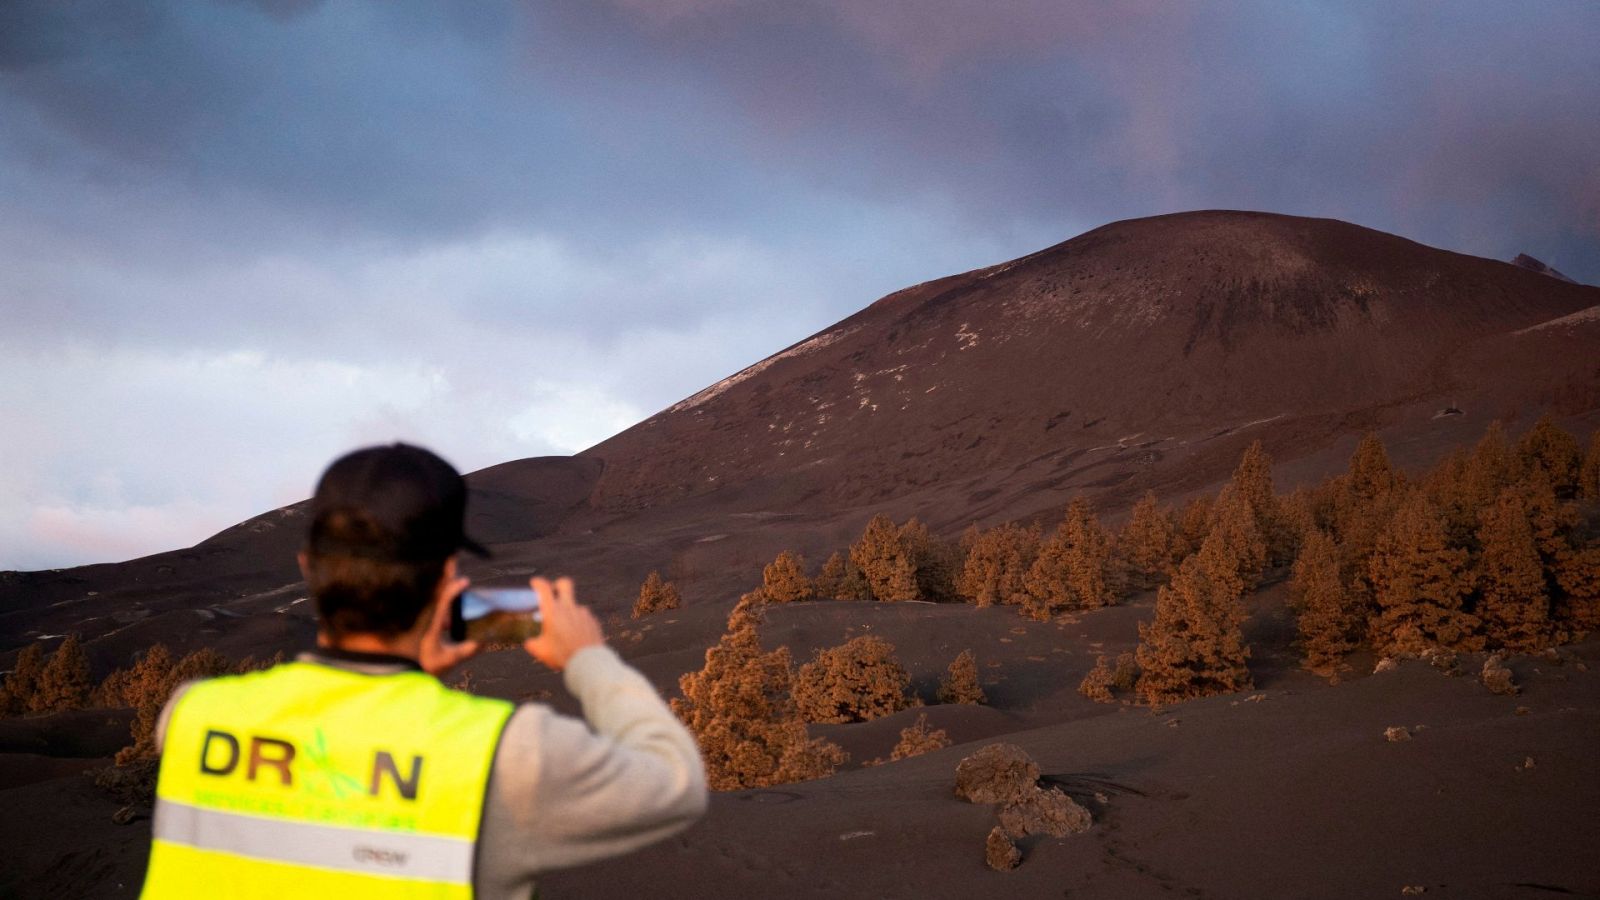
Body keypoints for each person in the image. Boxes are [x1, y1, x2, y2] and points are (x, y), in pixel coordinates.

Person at [140, 443, 707, 899]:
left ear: (310, 570)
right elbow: (676, 783)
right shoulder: (505, 755)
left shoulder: (191, 717)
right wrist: (588, 658)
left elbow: (326, 762)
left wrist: (408, 678)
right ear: (444, 583)